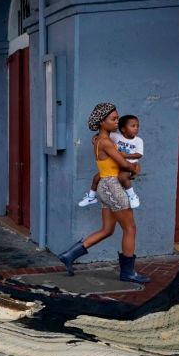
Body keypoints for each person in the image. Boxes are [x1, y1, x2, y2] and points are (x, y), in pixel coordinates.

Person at [58, 103, 150, 283]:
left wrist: (130, 166)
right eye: (113, 119)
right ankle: (128, 273)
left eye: (117, 118)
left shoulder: (99, 140)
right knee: (130, 228)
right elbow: (123, 164)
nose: (117, 122)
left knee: (107, 229)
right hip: (112, 187)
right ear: (102, 122)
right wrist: (134, 168)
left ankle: (69, 255)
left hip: (105, 186)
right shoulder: (107, 142)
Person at [78, 114, 143, 208]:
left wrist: (129, 161)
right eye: (133, 126)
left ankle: (132, 196)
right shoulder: (115, 137)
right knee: (96, 177)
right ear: (123, 129)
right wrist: (95, 137)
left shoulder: (138, 140)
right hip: (116, 169)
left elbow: (139, 154)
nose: (136, 128)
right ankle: (91, 197)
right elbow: (102, 134)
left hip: (130, 164)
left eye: (137, 126)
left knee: (122, 177)